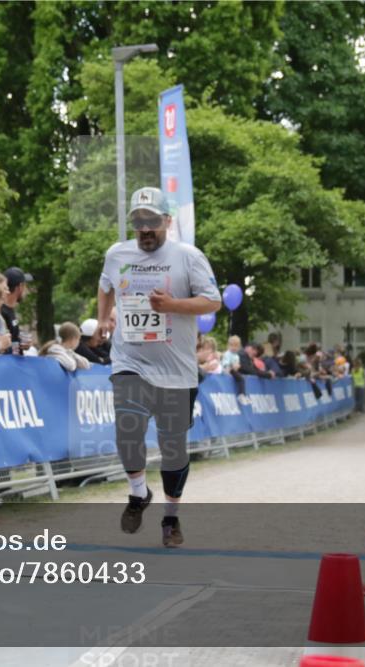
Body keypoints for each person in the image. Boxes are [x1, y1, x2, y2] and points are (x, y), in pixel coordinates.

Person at [96, 186, 221, 548]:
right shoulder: (117, 253)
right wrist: (104, 318)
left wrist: (172, 306)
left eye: (152, 221)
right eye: (138, 221)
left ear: (167, 220)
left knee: (173, 447)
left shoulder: (188, 257)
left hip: (176, 369)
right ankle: (138, 493)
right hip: (129, 360)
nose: (145, 229)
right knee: (127, 429)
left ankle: (170, 517)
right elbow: (106, 286)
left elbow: (212, 302)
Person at [1, 267, 33, 355]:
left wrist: (22, 344)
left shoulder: (10, 310)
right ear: (20, 287)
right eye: (26, 286)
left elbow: (13, 341)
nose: (27, 291)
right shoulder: (1, 312)